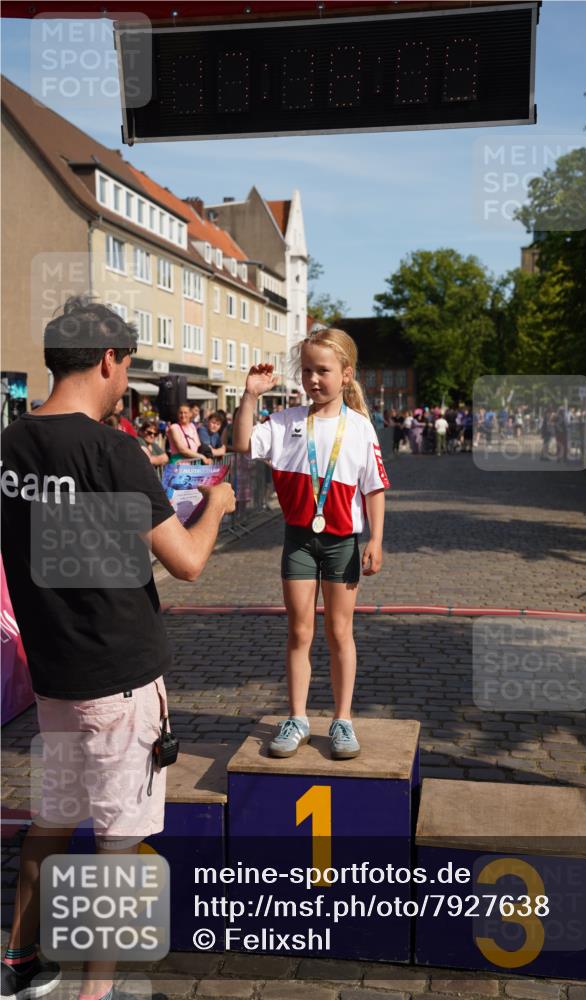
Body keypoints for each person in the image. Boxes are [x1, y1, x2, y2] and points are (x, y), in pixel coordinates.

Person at [0, 296, 236, 1000]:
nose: (125, 379)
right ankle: (95, 991)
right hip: (120, 676)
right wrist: (216, 507)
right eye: (127, 366)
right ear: (109, 360)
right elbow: (186, 561)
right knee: (118, 841)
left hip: (54, 673)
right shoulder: (112, 450)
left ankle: (19, 962)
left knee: (52, 820)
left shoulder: (10, 443)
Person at [233, 327, 389, 761]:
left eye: (322, 370)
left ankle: (343, 720)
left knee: (340, 632)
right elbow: (242, 444)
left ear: (346, 374)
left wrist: (376, 539)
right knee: (299, 630)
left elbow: (375, 488)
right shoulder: (285, 423)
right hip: (299, 540)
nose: (313, 379)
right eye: (306, 370)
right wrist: (250, 396)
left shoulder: (359, 427)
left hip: (342, 543)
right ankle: (298, 717)